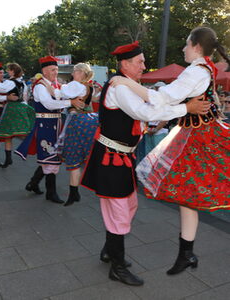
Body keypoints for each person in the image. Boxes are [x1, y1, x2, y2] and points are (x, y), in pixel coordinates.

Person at [81, 41, 210, 286]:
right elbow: (147, 114)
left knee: (128, 207)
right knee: (119, 210)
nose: (144, 65)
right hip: (112, 157)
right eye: (139, 61)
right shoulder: (120, 87)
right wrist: (186, 108)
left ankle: (110, 251)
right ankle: (117, 267)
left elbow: (152, 105)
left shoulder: (129, 84)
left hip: (122, 157)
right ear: (125, 64)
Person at [111, 27, 230, 276]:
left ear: (196, 45)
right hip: (193, 136)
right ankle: (186, 253)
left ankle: (186, 254)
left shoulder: (197, 69)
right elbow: (173, 101)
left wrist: (127, 83)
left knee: (193, 194)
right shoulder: (204, 68)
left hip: (199, 137)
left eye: (186, 44)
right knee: (187, 198)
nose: (183, 48)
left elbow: (164, 97)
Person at [15, 56, 84, 203]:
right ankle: (50, 193)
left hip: (55, 124)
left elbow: (63, 95)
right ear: (44, 71)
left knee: (50, 158)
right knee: (51, 159)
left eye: (57, 70)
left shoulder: (55, 85)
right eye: (53, 70)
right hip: (45, 125)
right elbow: (48, 104)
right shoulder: (40, 86)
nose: (55, 73)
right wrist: (70, 102)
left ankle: (33, 183)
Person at [56, 63, 99, 206]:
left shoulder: (76, 85)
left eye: (75, 71)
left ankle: (74, 193)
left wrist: (52, 85)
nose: (73, 73)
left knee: (73, 155)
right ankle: (75, 192)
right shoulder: (89, 86)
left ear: (81, 72)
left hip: (77, 122)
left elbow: (62, 92)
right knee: (81, 156)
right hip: (89, 121)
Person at [0, 63, 35, 168]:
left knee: (11, 133)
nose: (7, 72)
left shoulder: (9, 82)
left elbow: (1, 89)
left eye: (8, 70)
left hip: (12, 108)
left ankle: (30, 147)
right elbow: (25, 96)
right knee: (10, 135)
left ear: (13, 71)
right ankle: (8, 159)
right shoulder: (22, 83)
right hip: (21, 106)